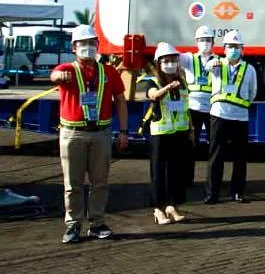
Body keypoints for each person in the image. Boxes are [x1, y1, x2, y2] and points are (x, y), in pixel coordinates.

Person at [50, 25, 129, 243]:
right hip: (72, 134)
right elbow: (55, 75)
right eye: (83, 44)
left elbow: (121, 101)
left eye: (92, 43)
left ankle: (97, 222)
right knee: (72, 183)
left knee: (100, 182)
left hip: (101, 133)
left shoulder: (108, 72)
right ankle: (73, 224)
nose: (88, 47)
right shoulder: (68, 68)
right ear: (74, 47)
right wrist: (59, 75)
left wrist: (123, 131)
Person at [138, 43, 192, 225]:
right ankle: (158, 209)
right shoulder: (153, 82)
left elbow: (186, 108)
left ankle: (172, 206)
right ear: (159, 63)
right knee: (159, 172)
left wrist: (191, 129)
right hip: (160, 134)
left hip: (179, 133)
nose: (170, 64)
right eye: (166, 61)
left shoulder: (182, 82)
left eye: (173, 61)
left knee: (176, 172)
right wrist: (167, 87)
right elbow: (153, 96)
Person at [205, 30, 257, 204]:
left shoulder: (249, 69)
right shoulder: (217, 64)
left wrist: (242, 104)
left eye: (236, 46)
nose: (233, 49)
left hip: (240, 117)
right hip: (219, 115)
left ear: (242, 49)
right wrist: (212, 65)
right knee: (216, 155)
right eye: (230, 46)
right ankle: (212, 193)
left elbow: (253, 92)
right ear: (224, 48)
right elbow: (207, 67)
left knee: (240, 157)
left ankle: (237, 192)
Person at [181, 26, 218, 191]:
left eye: (208, 40)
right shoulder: (189, 59)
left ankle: (213, 180)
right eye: (202, 40)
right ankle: (187, 179)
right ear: (196, 42)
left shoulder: (218, 60)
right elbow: (174, 58)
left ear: (213, 42)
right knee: (190, 144)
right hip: (193, 106)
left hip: (212, 107)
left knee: (214, 145)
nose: (205, 43)